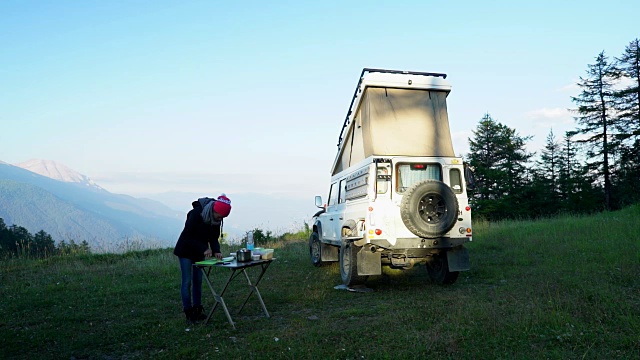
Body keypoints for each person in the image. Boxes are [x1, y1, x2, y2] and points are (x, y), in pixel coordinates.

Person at [173, 193, 232, 323]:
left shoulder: (216, 219)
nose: (220, 219)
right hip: (186, 250)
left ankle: (197, 309)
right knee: (187, 281)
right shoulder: (196, 214)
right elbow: (188, 236)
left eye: (222, 217)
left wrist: (216, 251)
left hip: (199, 252)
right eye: (219, 216)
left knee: (198, 281)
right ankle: (189, 313)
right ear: (214, 210)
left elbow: (213, 237)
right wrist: (204, 249)